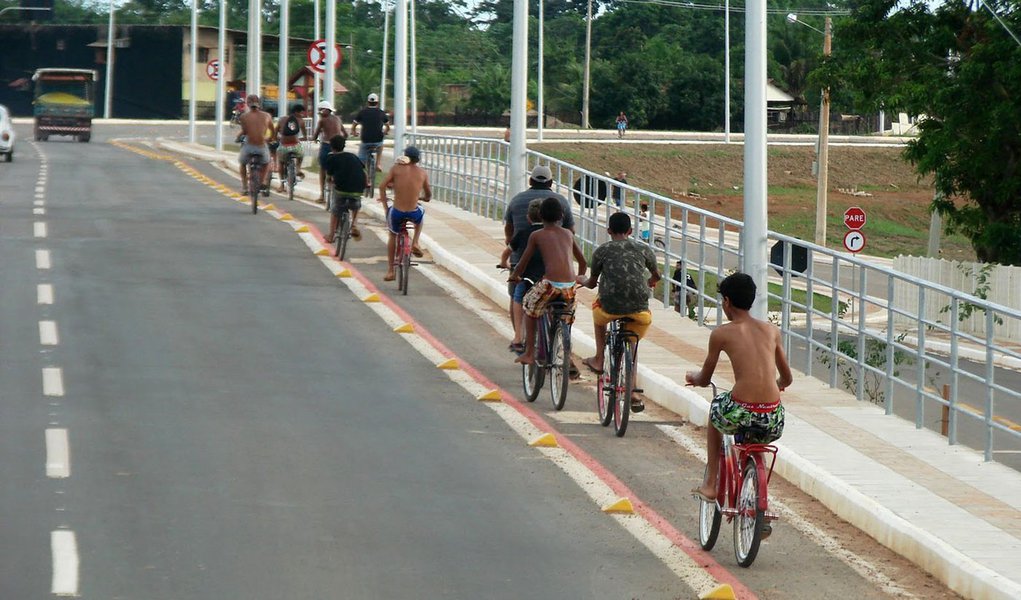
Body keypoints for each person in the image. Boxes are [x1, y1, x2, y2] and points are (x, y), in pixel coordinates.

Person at [685, 272, 793, 503]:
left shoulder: (721, 334)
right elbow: (787, 378)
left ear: (726, 301)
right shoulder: (771, 331)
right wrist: (776, 386)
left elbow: (705, 378)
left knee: (716, 411)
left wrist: (694, 378)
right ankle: (757, 502)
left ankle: (711, 483)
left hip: (740, 411)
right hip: (773, 417)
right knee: (758, 438)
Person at [578, 212, 661, 412]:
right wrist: (651, 282)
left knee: (598, 315)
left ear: (608, 231)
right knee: (632, 343)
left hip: (610, 306)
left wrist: (580, 279)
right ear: (631, 231)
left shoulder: (602, 251)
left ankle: (599, 358)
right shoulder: (643, 248)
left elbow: (591, 283)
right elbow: (657, 274)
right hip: (638, 307)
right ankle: (632, 391)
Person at [503, 165, 575, 355]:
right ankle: (562, 348)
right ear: (551, 183)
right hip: (559, 270)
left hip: (524, 265)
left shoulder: (517, 200)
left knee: (518, 297)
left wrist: (511, 251)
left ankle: (519, 338)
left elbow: (509, 230)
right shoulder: (561, 202)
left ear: (530, 181)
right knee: (563, 311)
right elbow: (572, 233)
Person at [509, 197, 587, 366]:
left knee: (529, 306)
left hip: (550, 285)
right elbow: (583, 262)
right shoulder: (568, 233)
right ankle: (565, 347)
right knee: (566, 316)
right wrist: (579, 278)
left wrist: (514, 276)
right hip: (569, 287)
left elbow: (523, 262)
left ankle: (529, 353)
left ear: (540, 215)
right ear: (561, 216)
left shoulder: (537, 235)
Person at [379, 145, 431, 282]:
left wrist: (385, 206)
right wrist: (422, 198)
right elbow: (428, 195)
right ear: (418, 159)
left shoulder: (396, 169)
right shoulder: (422, 173)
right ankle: (415, 242)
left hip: (397, 212)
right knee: (420, 215)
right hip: (413, 212)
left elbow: (382, 186)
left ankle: (391, 270)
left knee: (392, 235)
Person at [501, 199, 545, 353]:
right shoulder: (553, 234)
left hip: (528, 277)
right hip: (548, 277)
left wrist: (503, 263)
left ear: (528, 218)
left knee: (518, 297)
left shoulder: (525, 233)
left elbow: (508, 252)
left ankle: (518, 337)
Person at [322, 135, 365, 243]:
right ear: (344, 146)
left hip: (341, 191)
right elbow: (363, 171)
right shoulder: (353, 156)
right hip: (357, 190)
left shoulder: (331, 158)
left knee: (335, 210)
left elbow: (328, 176)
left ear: (332, 147)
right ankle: (354, 224)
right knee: (356, 206)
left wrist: (329, 181)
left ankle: (331, 235)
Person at [237, 94, 276, 195]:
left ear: (248, 104)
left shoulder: (244, 116)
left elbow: (245, 131)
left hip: (249, 146)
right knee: (267, 162)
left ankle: (245, 187)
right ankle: (263, 182)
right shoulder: (267, 116)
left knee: (242, 164)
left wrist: (238, 137)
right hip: (262, 146)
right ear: (259, 104)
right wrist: (271, 138)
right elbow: (272, 130)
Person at [311, 100, 348, 203]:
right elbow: (345, 134)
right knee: (339, 168)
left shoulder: (323, 120)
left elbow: (316, 134)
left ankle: (322, 195)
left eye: (320, 111)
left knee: (322, 168)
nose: (319, 113)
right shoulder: (338, 119)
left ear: (326, 110)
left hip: (327, 145)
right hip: (338, 147)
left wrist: (314, 139)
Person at [351, 93, 390, 182]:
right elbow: (387, 126)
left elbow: (354, 124)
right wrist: (385, 131)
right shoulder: (381, 112)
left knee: (360, 163)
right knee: (380, 145)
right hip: (377, 140)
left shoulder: (362, 112)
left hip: (365, 140)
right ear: (377, 102)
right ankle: (378, 164)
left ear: (368, 102)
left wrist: (353, 131)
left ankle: (364, 178)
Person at [275, 104, 308, 192]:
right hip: (296, 146)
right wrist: (300, 139)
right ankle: (298, 169)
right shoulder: (301, 121)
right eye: (301, 113)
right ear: (296, 112)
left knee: (281, 162)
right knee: (301, 155)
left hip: (284, 147)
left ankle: (282, 185)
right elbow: (305, 136)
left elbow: (275, 132)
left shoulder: (282, 119)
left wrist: (277, 138)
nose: (303, 115)